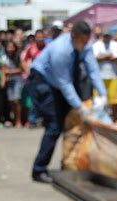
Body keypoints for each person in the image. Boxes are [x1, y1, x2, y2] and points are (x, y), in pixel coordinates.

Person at [27, 21, 107, 183]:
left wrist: (103, 94)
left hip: (60, 84)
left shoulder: (85, 45)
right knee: (54, 126)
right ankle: (39, 169)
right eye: (82, 42)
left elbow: (93, 70)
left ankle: (68, 163)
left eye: (86, 42)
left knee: (69, 123)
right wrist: (80, 107)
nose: (84, 46)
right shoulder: (60, 50)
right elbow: (65, 83)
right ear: (73, 36)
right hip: (44, 82)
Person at [93, 30, 117, 121]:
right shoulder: (96, 45)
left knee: (114, 100)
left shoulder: (116, 45)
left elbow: (116, 58)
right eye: (105, 36)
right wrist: (108, 56)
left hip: (113, 76)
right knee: (98, 100)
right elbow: (95, 58)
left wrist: (103, 56)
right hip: (99, 77)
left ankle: (115, 119)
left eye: (108, 36)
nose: (107, 38)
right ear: (102, 36)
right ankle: (97, 119)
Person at [3, 41, 25, 128]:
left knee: (17, 100)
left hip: (17, 80)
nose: (10, 49)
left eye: (12, 47)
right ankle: (14, 119)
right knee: (11, 102)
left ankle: (19, 120)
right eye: (9, 47)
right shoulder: (4, 58)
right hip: (9, 81)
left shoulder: (18, 57)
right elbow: (4, 70)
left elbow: (21, 69)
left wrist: (10, 71)